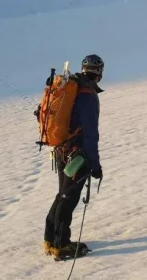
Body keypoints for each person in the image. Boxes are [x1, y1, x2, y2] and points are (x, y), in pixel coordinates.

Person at [43, 54, 104, 259]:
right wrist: (95, 165)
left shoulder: (73, 87)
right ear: (100, 72)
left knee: (62, 194)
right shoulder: (87, 94)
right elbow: (90, 133)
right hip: (76, 154)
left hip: (61, 150)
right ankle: (60, 245)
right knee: (68, 197)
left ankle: (50, 238)